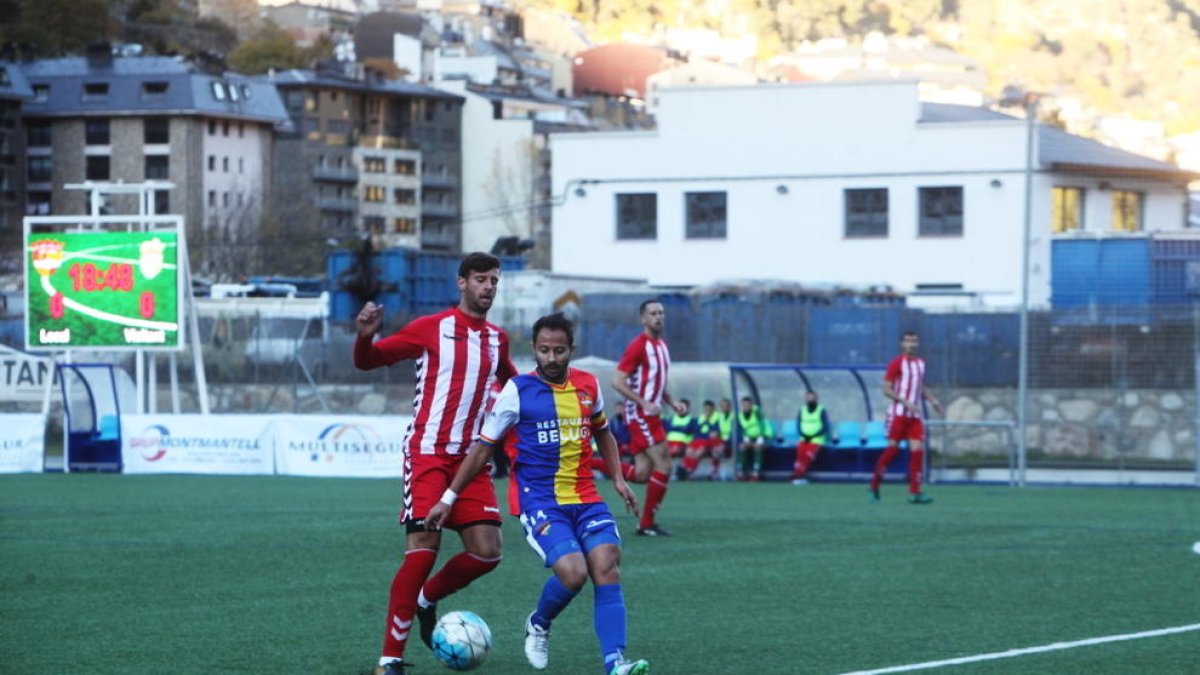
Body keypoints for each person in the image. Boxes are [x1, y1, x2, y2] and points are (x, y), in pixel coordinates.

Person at [426, 313, 651, 675]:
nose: (551, 358)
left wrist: (619, 479)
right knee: (574, 573)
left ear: (571, 350)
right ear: (534, 349)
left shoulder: (588, 385)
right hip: (539, 501)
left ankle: (615, 663)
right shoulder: (517, 390)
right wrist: (448, 498)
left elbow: (603, 432)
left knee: (607, 565)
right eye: (544, 350)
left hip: (586, 496)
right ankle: (539, 623)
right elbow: (483, 449)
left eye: (558, 350)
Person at [354, 252, 518, 675]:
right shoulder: (431, 328)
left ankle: (426, 599)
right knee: (423, 551)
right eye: (481, 279)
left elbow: (515, 386)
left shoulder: (498, 339)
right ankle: (389, 659)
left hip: (472, 461)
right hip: (427, 453)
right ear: (461, 283)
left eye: (494, 280)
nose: (488, 287)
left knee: (487, 553)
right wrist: (365, 337)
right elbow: (367, 361)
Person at [589, 299, 685, 536]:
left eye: (661, 313)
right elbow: (617, 381)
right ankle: (646, 524)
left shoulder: (661, 346)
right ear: (643, 319)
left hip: (648, 413)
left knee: (643, 473)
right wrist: (643, 403)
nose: (658, 317)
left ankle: (585, 461)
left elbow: (656, 382)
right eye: (653, 313)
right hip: (641, 414)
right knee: (664, 464)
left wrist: (672, 402)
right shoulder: (638, 346)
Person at [870, 331, 943, 504]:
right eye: (908, 341)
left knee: (918, 451)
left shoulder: (920, 364)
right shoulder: (896, 363)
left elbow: (919, 387)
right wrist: (905, 402)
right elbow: (886, 389)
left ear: (917, 344)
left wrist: (933, 401)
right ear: (902, 344)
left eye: (914, 341)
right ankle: (875, 484)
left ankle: (915, 492)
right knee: (892, 450)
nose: (911, 344)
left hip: (915, 416)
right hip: (899, 415)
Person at [791, 390, 831, 485]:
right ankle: (797, 475)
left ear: (816, 398)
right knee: (800, 456)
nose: (810, 399)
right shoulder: (802, 409)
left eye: (812, 397)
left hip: (817, 439)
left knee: (808, 456)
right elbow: (798, 424)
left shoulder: (821, 410)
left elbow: (826, 426)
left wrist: (814, 435)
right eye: (808, 397)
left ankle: (800, 475)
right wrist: (803, 434)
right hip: (804, 438)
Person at [678, 399, 720, 480]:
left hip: (706, 441)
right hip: (697, 439)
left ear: (713, 409)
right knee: (689, 451)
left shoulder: (716, 418)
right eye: (706, 409)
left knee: (698, 453)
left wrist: (707, 423)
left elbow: (713, 433)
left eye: (709, 409)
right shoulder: (699, 418)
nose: (707, 411)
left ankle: (690, 470)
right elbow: (694, 430)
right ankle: (685, 469)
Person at [736, 396, 769, 481]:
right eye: (744, 405)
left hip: (761, 437)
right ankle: (740, 472)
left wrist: (761, 438)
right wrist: (746, 440)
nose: (746, 407)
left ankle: (755, 473)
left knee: (757, 447)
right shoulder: (740, 415)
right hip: (748, 438)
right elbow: (742, 430)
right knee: (742, 447)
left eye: (748, 405)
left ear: (751, 405)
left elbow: (763, 425)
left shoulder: (757, 412)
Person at [664, 398, 696, 463]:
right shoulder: (672, 418)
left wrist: (674, 428)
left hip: (682, 443)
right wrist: (681, 428)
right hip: (669, 442)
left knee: (673, 450)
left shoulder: (692, 420)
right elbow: (668, 428)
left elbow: (688, 430)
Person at [712, 398, 735, 481]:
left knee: (719, 449)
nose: (724, 408)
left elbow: (735, 434)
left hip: (732, 442)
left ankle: (724, 472)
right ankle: (715, 471)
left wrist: (725, 443)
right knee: (715, 449)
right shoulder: (719, 417)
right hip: (722, 442)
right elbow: (714, 429)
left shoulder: (734, 417)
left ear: (730, 407)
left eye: (726, 406)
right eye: (722, 406)